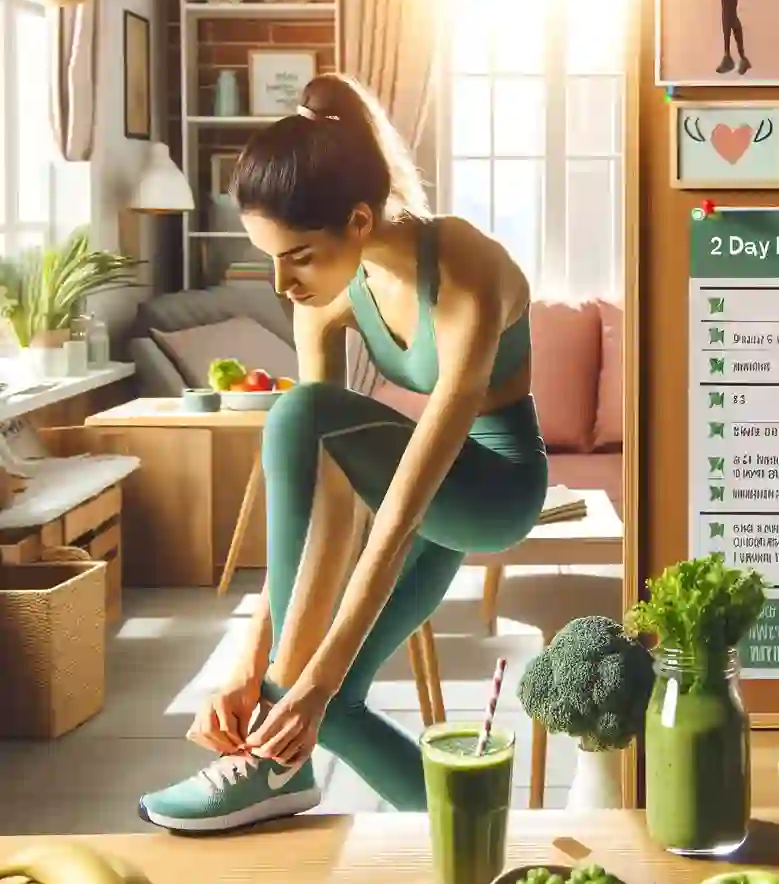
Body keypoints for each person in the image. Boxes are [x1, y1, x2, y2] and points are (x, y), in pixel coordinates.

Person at [139, 74, 548, 833]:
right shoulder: (326, 297)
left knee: (300, 412)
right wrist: (253, 661)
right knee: (328, 712)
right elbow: (306, 499)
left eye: (296, 256)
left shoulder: (462, 266)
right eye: (266, 257)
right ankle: (478, 845)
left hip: (491, 485)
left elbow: (400, 508)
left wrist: (298, 678)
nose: (280, 283)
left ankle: (265, 763)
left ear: (360, 219)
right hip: (426, 486)